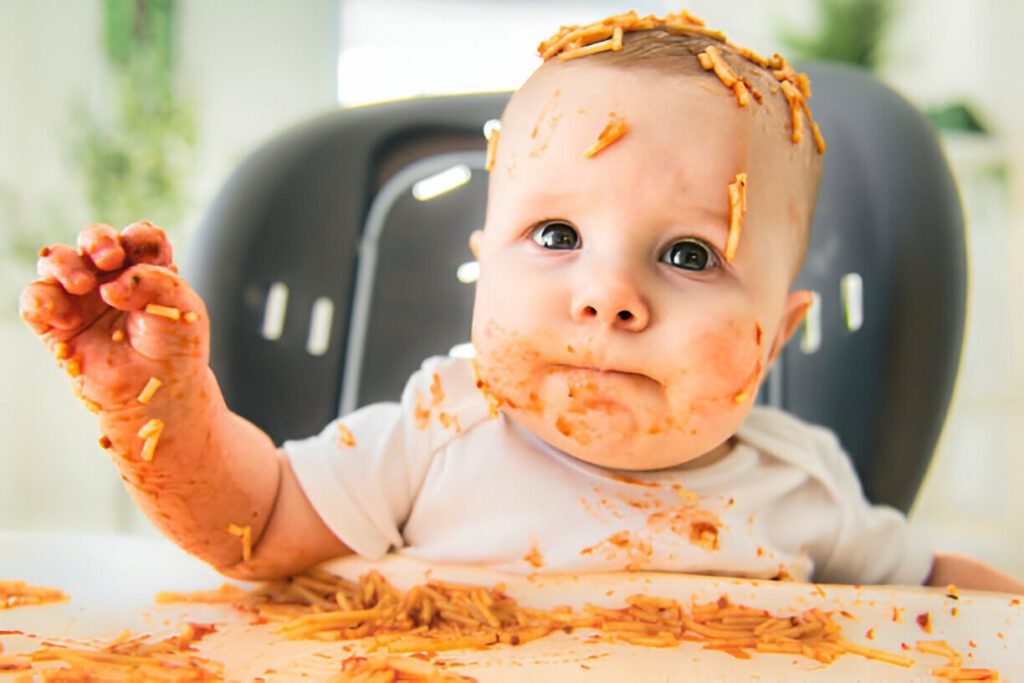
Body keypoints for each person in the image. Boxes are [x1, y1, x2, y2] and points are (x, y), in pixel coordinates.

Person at [19, 12, 1022, 593]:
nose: (607, 296)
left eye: (686, 252)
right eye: (554, 237)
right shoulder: (434, 436)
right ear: (481, 264)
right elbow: (257, 524)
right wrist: (158, 405)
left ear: (780, 333)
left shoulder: (803, 489)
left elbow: (937, 593)